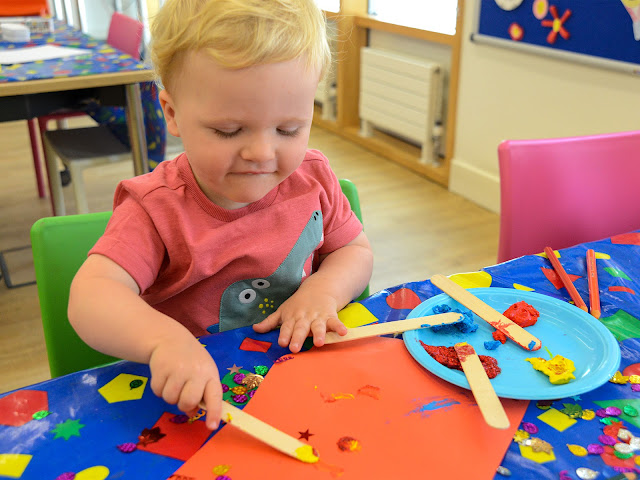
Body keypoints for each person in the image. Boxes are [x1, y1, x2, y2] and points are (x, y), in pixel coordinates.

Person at [67, 0, 373, 431]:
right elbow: (90, 296)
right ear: (171, 112)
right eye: (229, 131)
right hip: (195, 401)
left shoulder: (313, 178)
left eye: (289, 129)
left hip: (301, 386)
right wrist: (163, 341)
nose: (262, 154)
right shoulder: (156, 209)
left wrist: (323, 291)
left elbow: (354, 250)